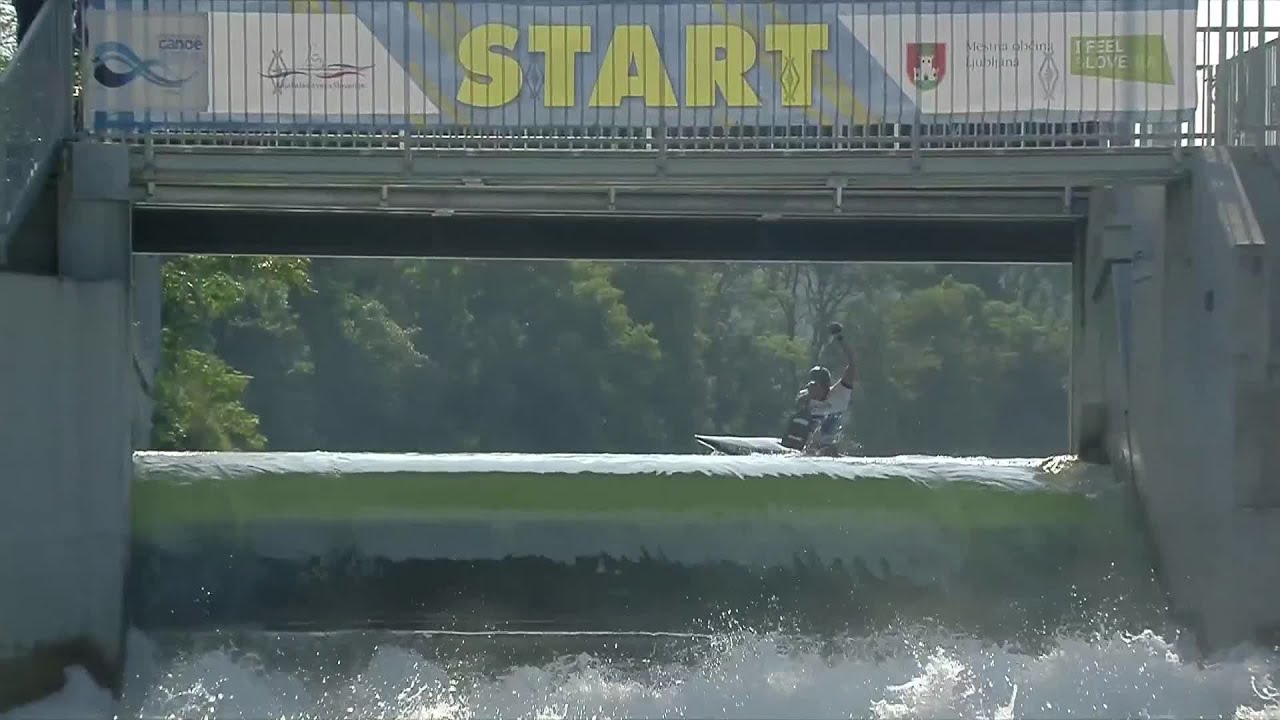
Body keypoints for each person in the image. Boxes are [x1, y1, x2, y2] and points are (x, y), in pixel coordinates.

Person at [781, 322, 856, 455]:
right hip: (809, 446)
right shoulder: (805, 398)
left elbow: (852, 363)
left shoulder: (840, 394)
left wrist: (839, 338)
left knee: (828, 446)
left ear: (825, 386)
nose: (812, 389)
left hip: (831, 446)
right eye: (811, 385)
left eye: (816, 385)